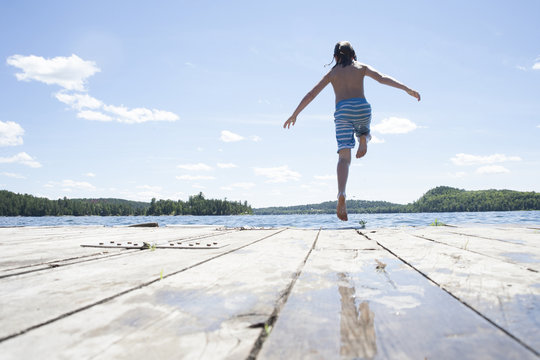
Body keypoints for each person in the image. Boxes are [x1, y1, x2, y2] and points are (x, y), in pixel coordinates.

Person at [283, 41, 420, 221]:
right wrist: (406, 88)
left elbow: (311, 94)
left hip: (343, 111)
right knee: (365, 132)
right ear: (353, 55)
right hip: (362, 107)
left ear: (335, 57)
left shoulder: (332, 73)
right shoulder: (361, 67)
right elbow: (382, 77)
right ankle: (363, 138)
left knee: (344, 158)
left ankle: (341, 193)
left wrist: (295, 114)